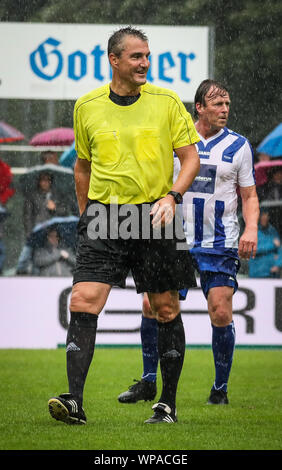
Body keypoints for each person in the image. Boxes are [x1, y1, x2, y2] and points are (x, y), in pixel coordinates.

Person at [48, 26, 200, 425]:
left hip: (157, 215)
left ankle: (166, 405)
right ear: (114, 60)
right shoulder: (87, 105)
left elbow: (190, 158)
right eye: (136, 57)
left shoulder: (166, 101)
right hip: (105, 216)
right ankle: (74, 403)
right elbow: (82, 166)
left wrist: (173, 197)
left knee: (165, 308)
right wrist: (87, 213)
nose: (145, 63)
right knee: (82, 301)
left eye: (147, 56)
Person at [118, 78, 259, 406]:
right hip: (174, 239)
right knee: (151, 306)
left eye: (227, 104)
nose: (224, 110)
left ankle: (219, 390)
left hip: (219, 242)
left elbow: (249, 195)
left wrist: (251, 228)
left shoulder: (239, 146)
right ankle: (149, 381)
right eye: (217, 104)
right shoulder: (176, 141)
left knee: (220, 311)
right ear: (199, 107)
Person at [248, 209, 282, 278]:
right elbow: (251, 250)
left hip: (271, 273)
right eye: (262, 216)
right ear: (259, 218)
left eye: (266, 217)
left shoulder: (272, 231)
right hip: (257, 273)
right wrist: (272, 245)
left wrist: (278, 265)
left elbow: (280, 249)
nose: (264, 219)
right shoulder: (253, 231)